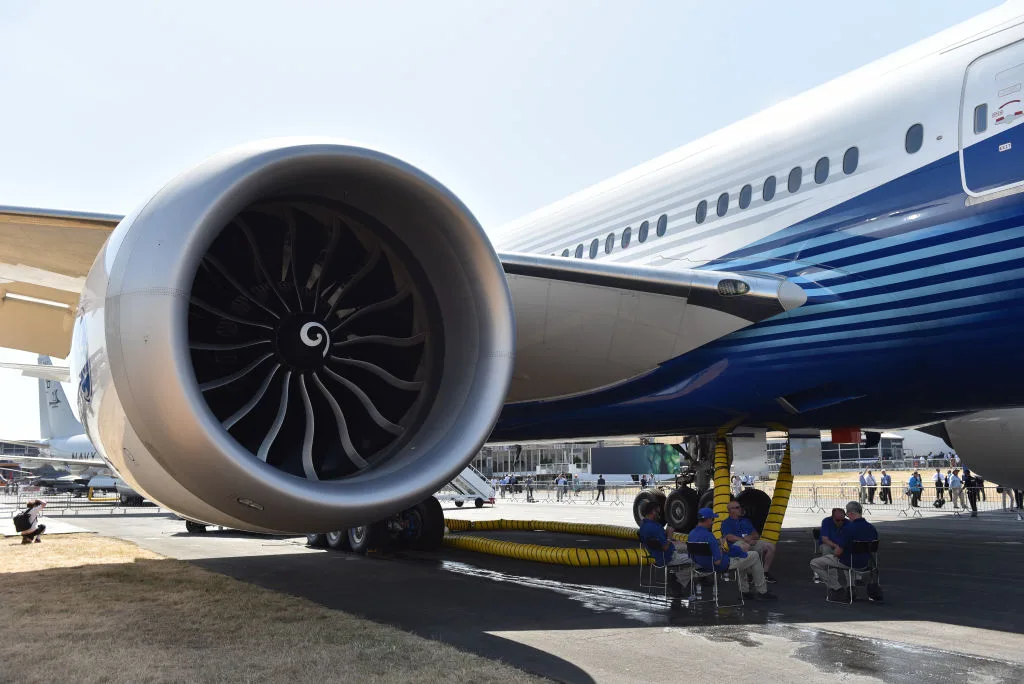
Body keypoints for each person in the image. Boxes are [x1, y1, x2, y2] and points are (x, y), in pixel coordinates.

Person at [689, 508, 777, 600]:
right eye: (712, 519)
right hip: (720, 565)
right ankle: (762, 592)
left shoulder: (692, 534)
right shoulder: (709, 536)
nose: (712, 522)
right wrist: (723, 549)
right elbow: (718, 561)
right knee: (754, 555)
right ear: (707, 519)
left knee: (744, 557)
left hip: (703, 566)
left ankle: (745, 591)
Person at [809, 501, 880, 602]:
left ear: (851, 513)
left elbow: (838, 552)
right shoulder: (872, 528)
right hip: (866, 563)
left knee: (815, 563)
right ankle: (851, 587)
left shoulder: (848, 528)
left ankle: (836, 588)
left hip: (849, 561)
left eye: (847, 514)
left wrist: (834, 554)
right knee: (848, 561)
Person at [637, 500, 692, 594]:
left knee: (687, 547)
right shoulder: (655, 527)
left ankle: (677, 576)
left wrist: (668, 537)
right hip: (667, 557)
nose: (659, 515)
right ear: (653, 512)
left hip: (654, 554)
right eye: (658, 512)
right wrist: (670, 535)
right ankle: (679, 579)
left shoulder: (643, 527)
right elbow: (665, 547)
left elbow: (659, 542)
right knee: (697, 557)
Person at [721, 500, 777, 582]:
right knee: (744, 546)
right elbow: (729, 537)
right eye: (737, 508)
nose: (740, 509)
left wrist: (751, 537)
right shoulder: (726, 523)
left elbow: (756, 534)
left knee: (770, 546)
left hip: (750, 542)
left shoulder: (746, 521)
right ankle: (749, 574)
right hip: (735, 546)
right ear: (730, 510)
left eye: (740, 507)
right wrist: (746, 540)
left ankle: (765, 573)